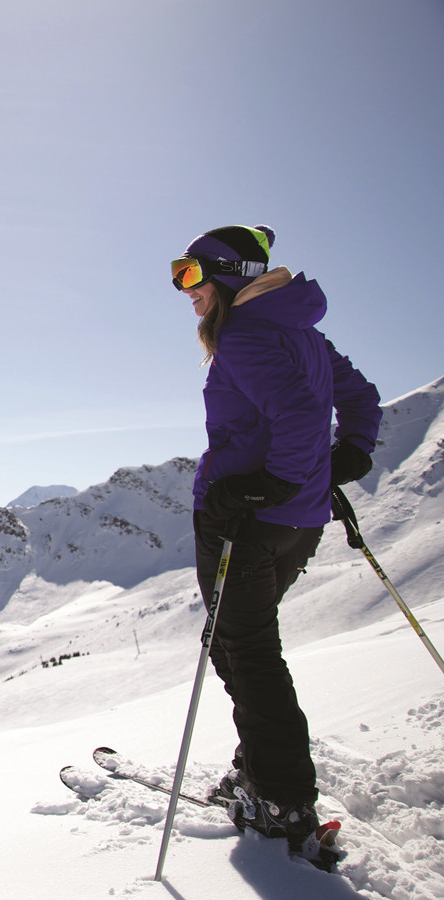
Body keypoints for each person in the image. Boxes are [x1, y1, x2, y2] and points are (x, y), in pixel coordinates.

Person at [171, 224, 381, 846]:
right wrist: (347, 457)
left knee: (248, 653)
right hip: (298, 523)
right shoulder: (300, 332)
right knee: (237, 642)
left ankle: (283, 798)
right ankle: (261, 767)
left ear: (228, 274)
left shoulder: (245, 336)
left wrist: (271, 485)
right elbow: (358, 399)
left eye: (191, 275)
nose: (187, 292)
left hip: (245, 523)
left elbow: (300, 414)